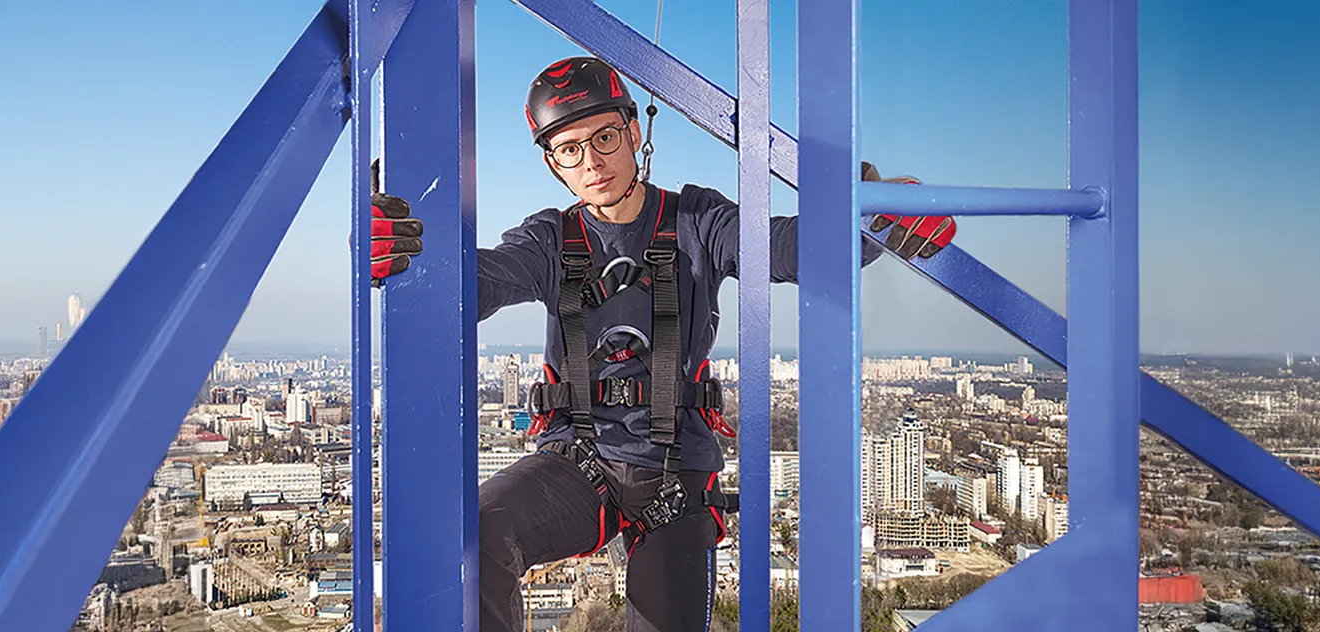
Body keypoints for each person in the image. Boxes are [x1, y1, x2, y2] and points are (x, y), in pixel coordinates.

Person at [366, 56, 957, 632]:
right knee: (477, 530)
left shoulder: (698, 219)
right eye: (569, 150)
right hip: (578, 461)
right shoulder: (550, 239)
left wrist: (869, 224)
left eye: (603, 138)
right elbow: (479, 281)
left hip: (676, 472)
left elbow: (784, 248)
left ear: (633, 131)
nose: (592, 162)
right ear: (554, 164)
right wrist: (397, 257)